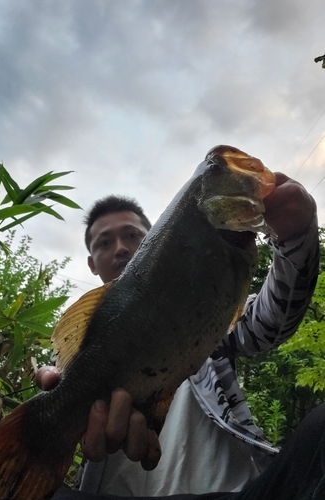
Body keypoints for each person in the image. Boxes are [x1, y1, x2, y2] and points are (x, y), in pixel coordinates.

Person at [37, 171, 320, 499]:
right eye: (105, 242)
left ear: (158, 238)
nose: (121, 249)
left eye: (133, 235)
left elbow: (271, 319)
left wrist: (295, 239)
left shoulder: (207, 312)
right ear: (91, 263)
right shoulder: (80, 350)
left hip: (239, 492)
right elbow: (54, 380)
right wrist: (57, 404)